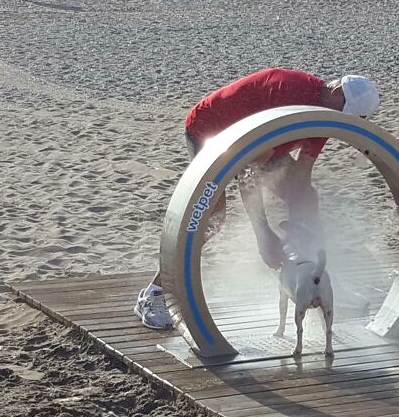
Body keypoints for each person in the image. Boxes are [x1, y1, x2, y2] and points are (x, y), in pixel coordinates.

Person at [134, 68, 380, 329]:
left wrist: (302, 226)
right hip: (212, 132)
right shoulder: (288, 94)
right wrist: (263, 234)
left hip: (259, 144)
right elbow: (248, 171)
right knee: (212, 217)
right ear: (336, 92)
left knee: (306, 197)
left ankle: (318, 280)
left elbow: (300, 177)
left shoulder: (325, 114)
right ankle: (154, 294)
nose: (339, 120)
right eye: (343, 113)